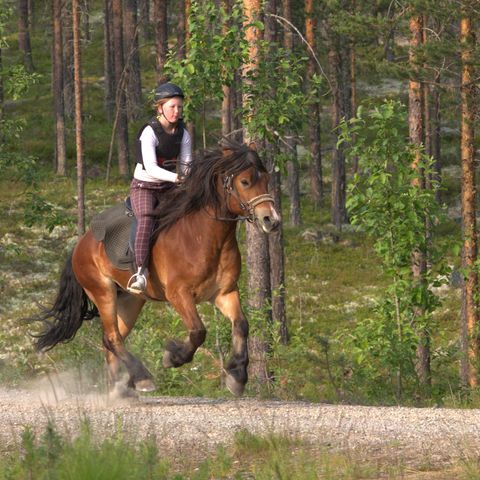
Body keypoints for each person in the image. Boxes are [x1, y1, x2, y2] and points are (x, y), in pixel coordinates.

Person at [127, 82, 192, 294]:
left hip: (169, 186)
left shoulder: (184, 133)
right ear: (160, 107)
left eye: (180, 107)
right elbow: (152, 168)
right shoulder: (149, 132)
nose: (177, 111)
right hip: (144, 186)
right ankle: (140, 272)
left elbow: (187, 163)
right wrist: (178, 178)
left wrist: (187, 177)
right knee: (146, 217)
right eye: (172, 106)